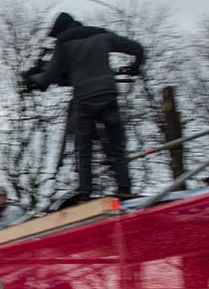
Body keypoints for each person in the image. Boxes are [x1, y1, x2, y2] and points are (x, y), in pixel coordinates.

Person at [24, 12, 144, 202]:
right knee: (117, 145)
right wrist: (135, 67)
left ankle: (85, 193)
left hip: (84, 99)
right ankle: (125, 188)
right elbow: (138, 49)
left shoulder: (64, 43)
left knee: (84, 147)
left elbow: (52, 75)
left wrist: (31, 80)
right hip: (108, 94)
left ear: (60, 31)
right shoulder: (101, 35)